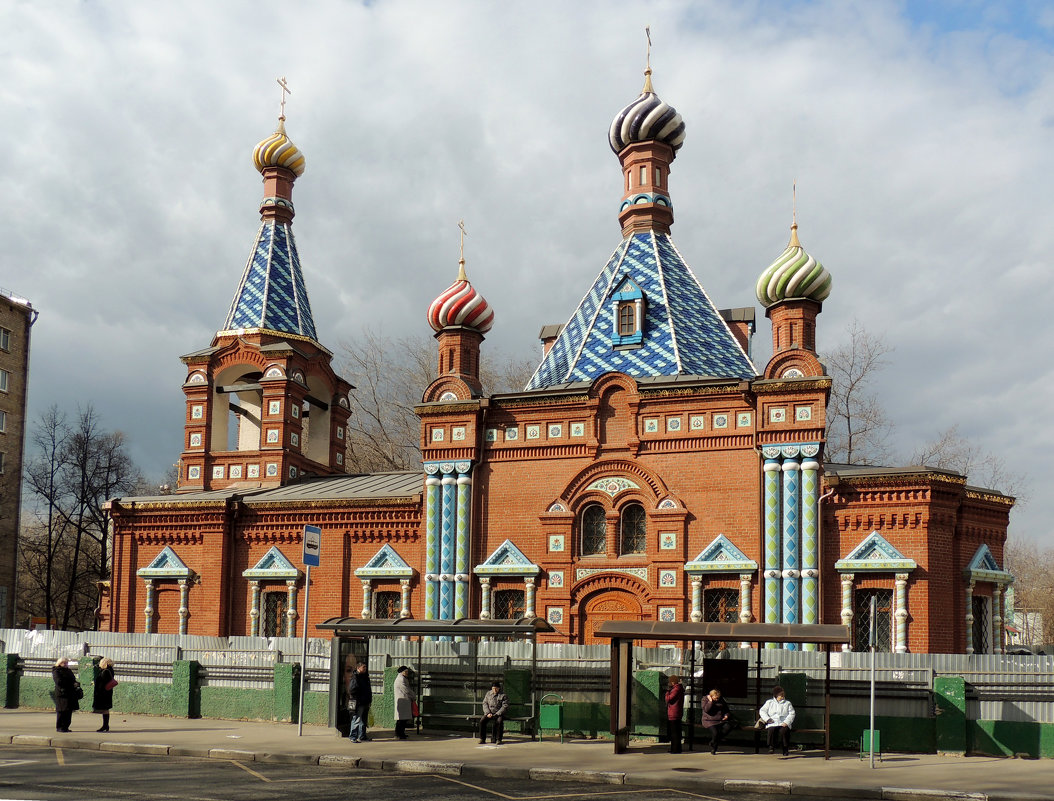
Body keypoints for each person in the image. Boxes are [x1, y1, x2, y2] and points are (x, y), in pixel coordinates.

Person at [758, 685, 795, 756]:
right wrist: (767, 719)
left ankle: (785, 748)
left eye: (783, 695)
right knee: (771, 730)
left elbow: (792, 714)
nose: (782, 696)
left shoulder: (787, 703)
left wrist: (786, 722)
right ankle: (771, 746)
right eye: (780, 695)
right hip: (773, 722)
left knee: (784, 731)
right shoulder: (769, 702)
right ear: (776, 695)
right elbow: (762, 711)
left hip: (783, 722)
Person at [700, 688, 735, 754]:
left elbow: (726, 710)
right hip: (709, 720)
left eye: (718, 698)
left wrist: (726, 715)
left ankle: (713, 742)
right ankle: (714, 747)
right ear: (711, 696)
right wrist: (710, 702)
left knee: (728, 727)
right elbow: (706, 710)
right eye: (715, 698)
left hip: (720, 720)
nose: (717, 700)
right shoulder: (705, 699)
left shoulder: (721, 700)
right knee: (715, 733)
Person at [347, 661, 373, 743]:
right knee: (356, 719)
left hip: (365, 701)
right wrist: (359, 696)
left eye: (365, 667)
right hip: (359, 702)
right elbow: (352, 689)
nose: (365, 668)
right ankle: (353, 736)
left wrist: (369, 700)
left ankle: (362, 736)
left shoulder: (365, 677)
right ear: (358, 668)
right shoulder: (355, 677)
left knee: (363, 720)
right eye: (363, 667)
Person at [52, 657, 79, 733]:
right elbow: (59, 681)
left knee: (69, 710)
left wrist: (76, 683)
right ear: (59, 663)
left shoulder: (68, 671)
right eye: (64, 663)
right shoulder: (56, 670)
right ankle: (60, 726)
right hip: (62, 693)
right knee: (61, 711)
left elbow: (73, 679)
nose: (66, 664)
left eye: (67, 663)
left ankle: (66, 726)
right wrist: (70, 683)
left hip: (70, 693)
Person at [478, 680, 509, 745]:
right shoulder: (488, 694)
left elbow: (504, 706)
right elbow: (485, 703)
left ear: (499, 688)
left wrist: (497, 714)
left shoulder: (503, 695)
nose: (494, 690)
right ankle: (482, 738)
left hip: (498, 714)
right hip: (489, 713)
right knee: (482, 721)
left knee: (499, 722)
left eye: (496, 688)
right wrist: (487, 713)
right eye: (493, 688)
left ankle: (498, 739)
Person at [93, 657, 116, 732]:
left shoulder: (105, 671)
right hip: (107, 692)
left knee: (105, 709)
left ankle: (105, 725)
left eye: (101, 662)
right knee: (105, 709)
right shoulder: (109, 670)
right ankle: (105, 725)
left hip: (103, 693)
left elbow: (102, 683)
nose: (99, 664)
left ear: (104, 663)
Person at [393, 665, 416, 740]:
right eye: (406, 671)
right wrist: (413, 695)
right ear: (402, 672)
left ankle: (401, 733)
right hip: (403, 701)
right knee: (401, 719)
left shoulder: (402, 679)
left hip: (404, 701)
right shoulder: (401, 680)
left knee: (403, 719)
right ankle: (399, 734)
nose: (407, 673)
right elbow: (406, 690)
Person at [664, 674, 685, 753]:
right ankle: (676, 749)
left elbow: (669, 699)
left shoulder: (676, 689)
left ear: (672, 682)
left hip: (674, 713)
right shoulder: (678, 688)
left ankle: (675, 749)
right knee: (676, 732)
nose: (669, 683)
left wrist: (667, 692)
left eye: (670, 681)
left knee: (674, 733)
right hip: (676, 712)